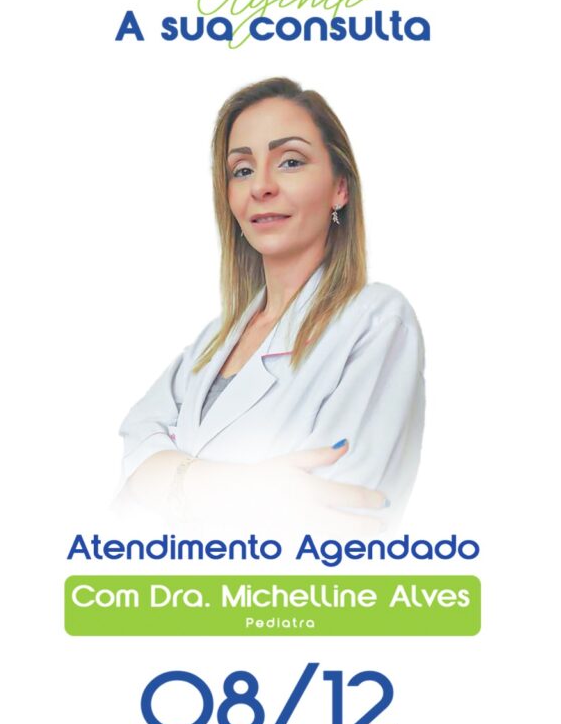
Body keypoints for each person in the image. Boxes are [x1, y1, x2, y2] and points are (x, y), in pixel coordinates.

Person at [119, 77, 424, 527]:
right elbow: (133, 451)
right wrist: (238, 486)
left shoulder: (376, 322)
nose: (260, 186)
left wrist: (174, 482)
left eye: (290, 162)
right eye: (242, 170)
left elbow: (331, 518)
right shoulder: (214, 342)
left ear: (340, 188)